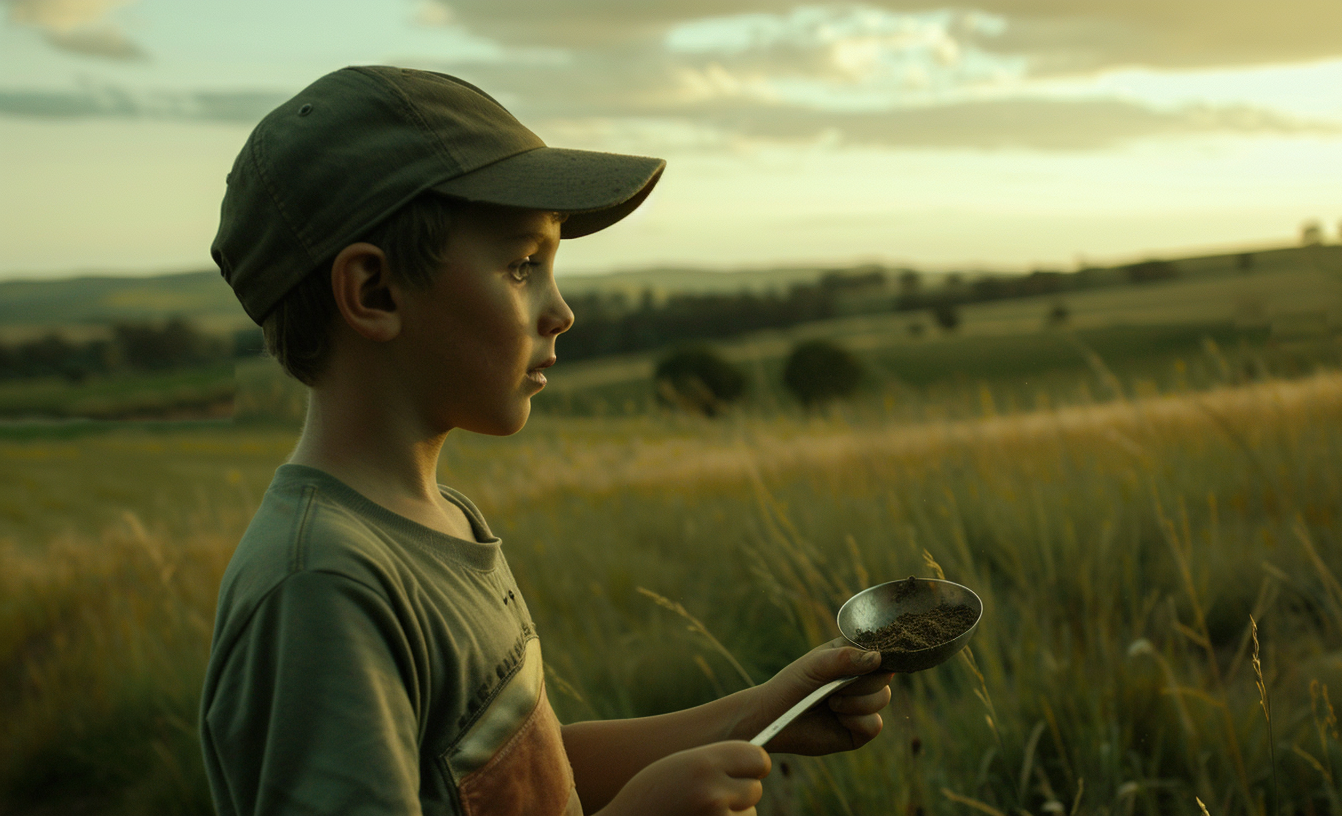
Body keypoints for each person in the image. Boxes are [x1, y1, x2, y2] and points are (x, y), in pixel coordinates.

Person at [199, 65, 893, 816]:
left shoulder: (440, 520)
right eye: (522, 266)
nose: (560, 310)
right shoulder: (322, 588)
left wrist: (761, 715)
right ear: (374, 292)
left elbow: (527, 777)